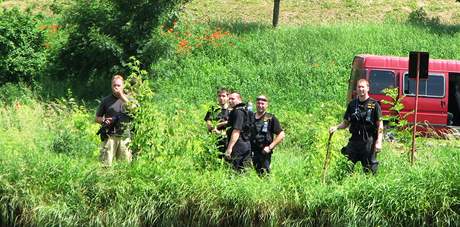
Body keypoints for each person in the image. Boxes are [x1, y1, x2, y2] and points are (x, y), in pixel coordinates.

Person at [329, 78, 383, 174]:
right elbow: (346, 123)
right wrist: (336, 127)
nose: (361, 89)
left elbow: (380, 126)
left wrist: (379, 142)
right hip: (354, 141)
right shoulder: (352, 104)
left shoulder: (374, 105)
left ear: (368, 88)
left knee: (370, 171)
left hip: (368, 142)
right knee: (346, 166)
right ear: (356, 89)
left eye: (363, 87)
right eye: (359, 87)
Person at [95, 75, 136, 166]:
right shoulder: (106, 100)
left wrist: (121, 96)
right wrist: (104, 120)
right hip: (109, 136)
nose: (116, 87)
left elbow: (134, 109)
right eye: (114, 85)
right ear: (111, 86)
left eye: (118, 85)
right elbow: (97, 118)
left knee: (124, 166)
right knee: (105, 165)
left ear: (123, 86)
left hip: (125, 137)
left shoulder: (129, 99)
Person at [250, 95, 285, 175]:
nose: (260, 106)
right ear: (256, 104)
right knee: (250, 173)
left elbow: (281, 134)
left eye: (262, 104)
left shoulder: (270, 118)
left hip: (264, 152)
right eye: (258, 103)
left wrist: (270, 147)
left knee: (264, 175)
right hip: (251, 152)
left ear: (267, 105)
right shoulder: (251, 116)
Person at [225, 91, 252, 170]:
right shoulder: (245, 110)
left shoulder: (238, 112)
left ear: (240, 99)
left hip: (238, 146)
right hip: (246, 144)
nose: (230, 101)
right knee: (244, 172)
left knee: (236, 171)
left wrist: (229, 148)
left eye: (233, 99)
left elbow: (236, 131)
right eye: (229, 99)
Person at [204, 88, 230, 156]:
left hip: (227, 141)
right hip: (213, 140)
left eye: (223, 96)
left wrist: (217, 127)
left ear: (228, 97)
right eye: (219, 96)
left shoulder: (231, 110)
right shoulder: (213, 109)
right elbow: (209, 126)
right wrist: (224, 123)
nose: (221, 98)